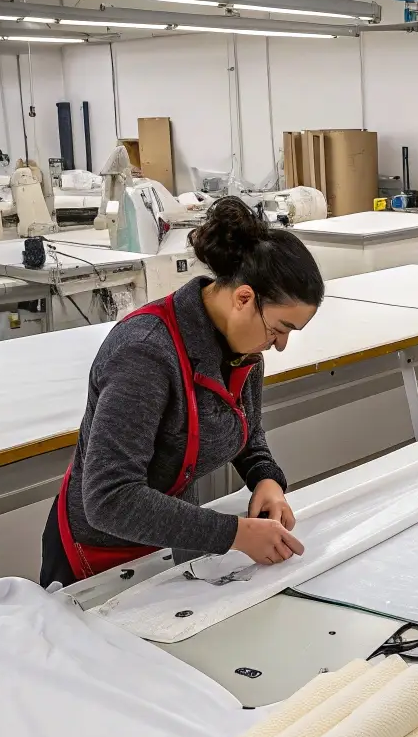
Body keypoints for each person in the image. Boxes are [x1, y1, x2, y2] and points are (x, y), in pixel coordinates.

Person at [39, 196, 324, 587]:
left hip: (169, 541)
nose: (279, 346)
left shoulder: (241, 348)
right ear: (244, 298)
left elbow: (245, 433)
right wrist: (235, 534)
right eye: (279, 329)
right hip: (99, 555)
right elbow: (109, 499)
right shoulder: (145, 353)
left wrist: (266, 480)